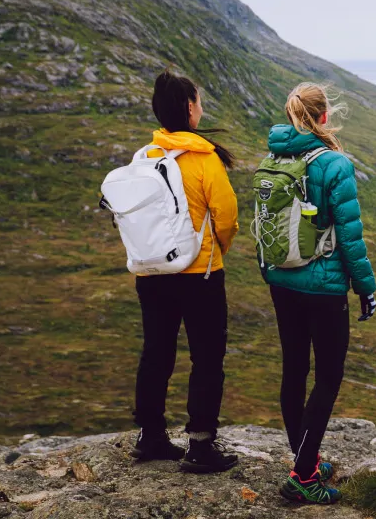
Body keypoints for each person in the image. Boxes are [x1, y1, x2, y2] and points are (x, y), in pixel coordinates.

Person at [262, 82, 376, 504]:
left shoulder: (273, 158)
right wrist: (365, 288)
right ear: (324, 117)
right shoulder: (334, 164)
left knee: (294, 370)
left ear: (291, 115)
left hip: (282, 281)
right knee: (328, 377)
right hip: (324, 288)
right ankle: (303, 477)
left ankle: (305, 461)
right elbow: (349, 236)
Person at [129, 70, 240, 473]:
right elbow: (226, 216)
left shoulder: (145, 157)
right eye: (200, 101)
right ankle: (200, 445)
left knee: (156, 352)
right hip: (200, 275)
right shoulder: (205, 159)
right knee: (207, 358)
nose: (202, 108)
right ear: (190, 107)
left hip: (152, 273)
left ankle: (150, 437)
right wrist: (216, 251)